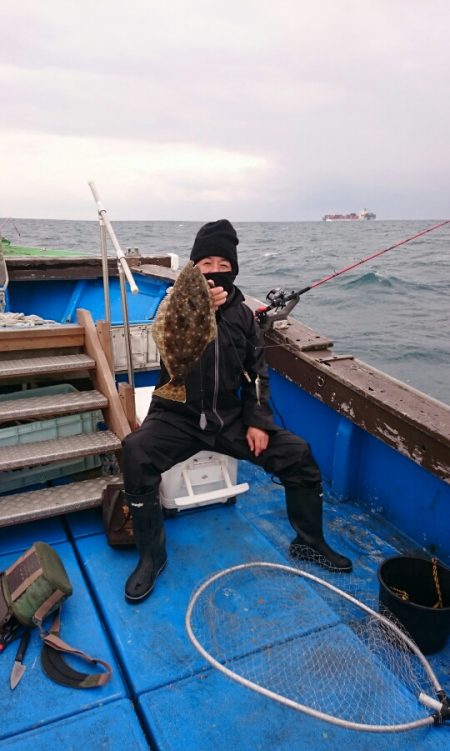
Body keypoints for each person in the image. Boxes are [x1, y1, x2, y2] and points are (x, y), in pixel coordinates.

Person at [122, 219, 352, 603]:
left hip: (228, 417)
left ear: (233, 268)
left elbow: (257, 372)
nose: (213, 271)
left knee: (297, 455)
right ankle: (151, 556)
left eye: (221, 264)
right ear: (193, 268)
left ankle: (309, 542)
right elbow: (163, 342)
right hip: (175, 411)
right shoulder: (176, 300)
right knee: (136, 452)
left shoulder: (244, 316)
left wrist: (258, 420)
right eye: (204, 263)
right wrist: (198, 312)